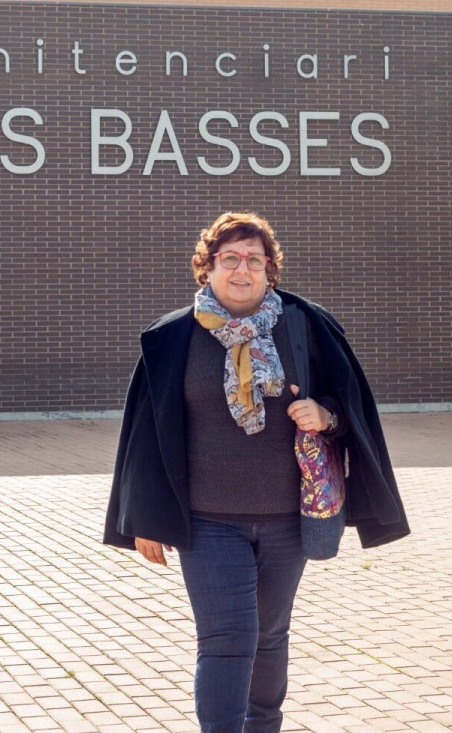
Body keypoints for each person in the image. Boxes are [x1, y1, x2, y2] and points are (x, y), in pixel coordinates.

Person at [103, 211, 409, 733]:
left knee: (269, 634)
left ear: (270, 270)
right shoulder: (172, 337)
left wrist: (325, 415)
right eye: (229, 258)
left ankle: (263, 726)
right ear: (208, 267)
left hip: (288, 518)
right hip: (207, 520)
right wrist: (142, 517)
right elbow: (144, 434)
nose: (241, 269)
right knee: (228, 639)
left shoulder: (305, 324)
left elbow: (349, 400)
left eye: (254, 260)